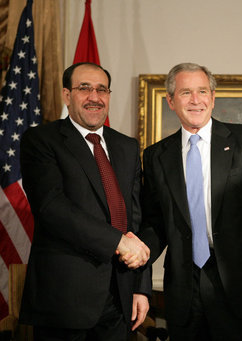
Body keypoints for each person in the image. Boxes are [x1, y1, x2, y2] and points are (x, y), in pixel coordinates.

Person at [139, 62, 242, 341]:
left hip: (241, 285)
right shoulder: (156, 156)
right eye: (185, 93)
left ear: (213, 97)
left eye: (202, 91)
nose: (196, 100)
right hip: (184, 289)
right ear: (171, 101)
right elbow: (156, 222)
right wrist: (136, 253)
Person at [19, 62, 151, 340]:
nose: (94, 96)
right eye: (84, 88)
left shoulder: (126, 146)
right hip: (66, 300)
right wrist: (118, 242)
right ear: (67, 95)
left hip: (120, 297)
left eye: (101, 89)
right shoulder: (41, 140)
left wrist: (140, 287)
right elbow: (52, 208)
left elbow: (135, 220)